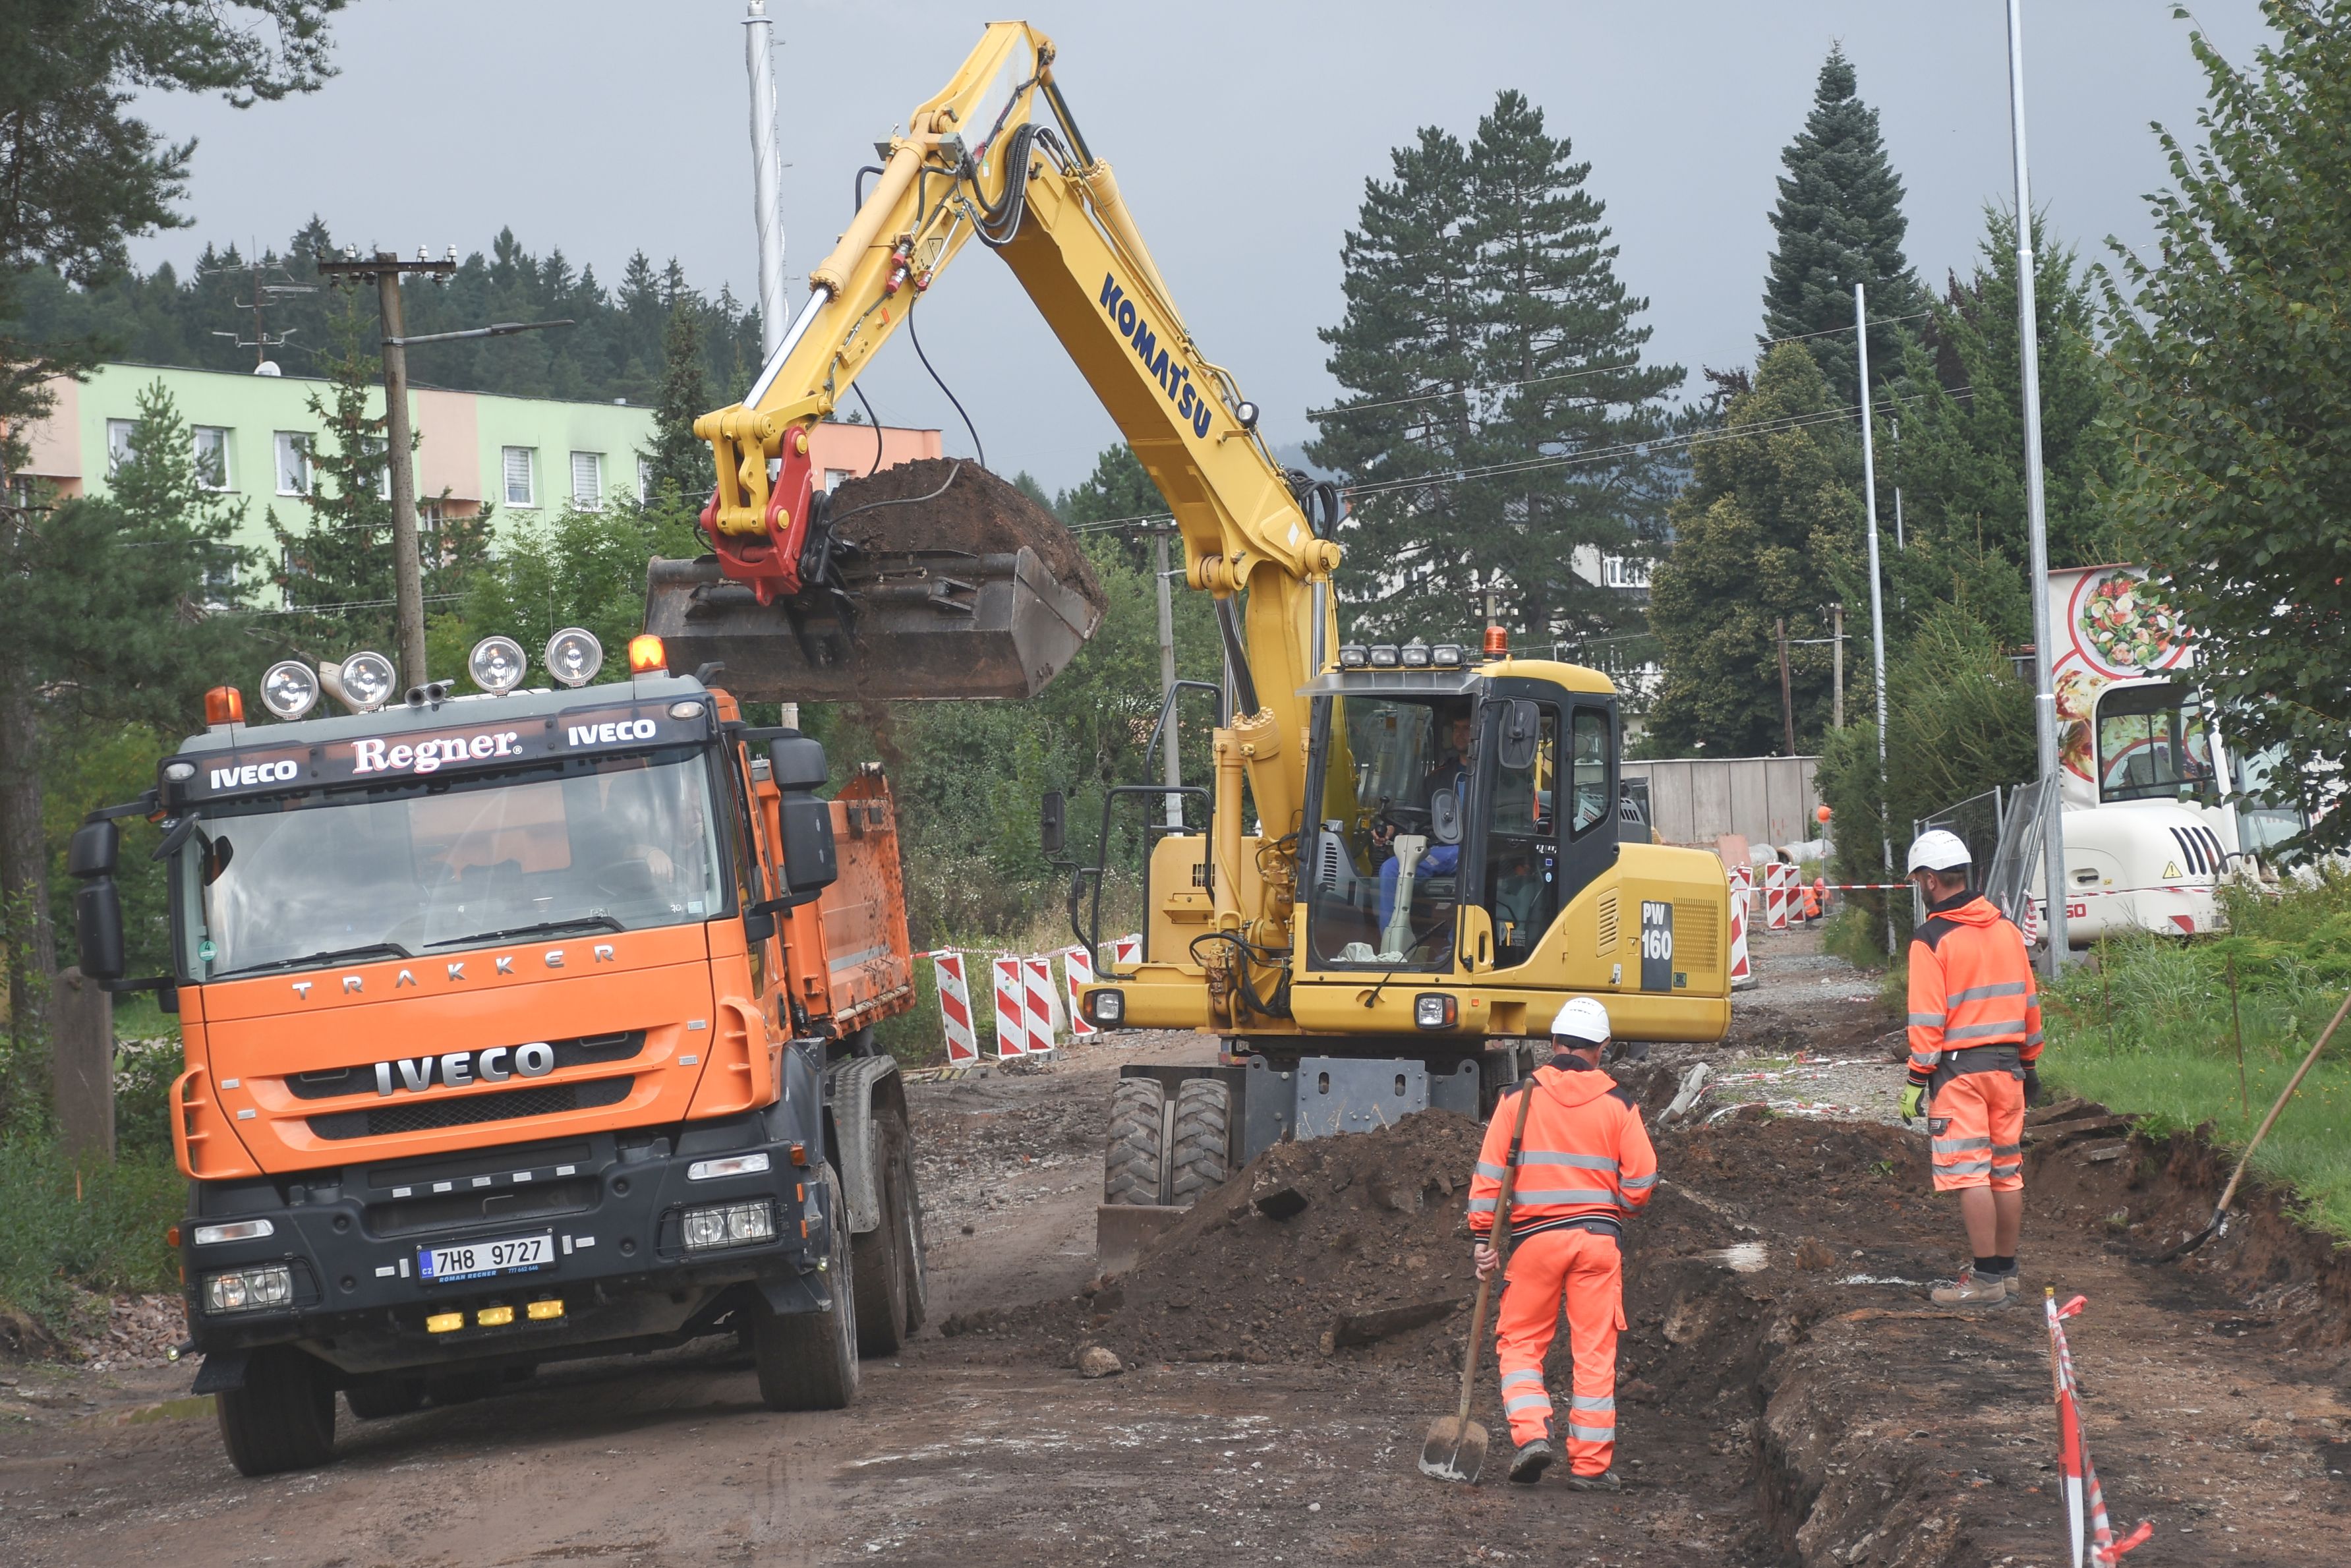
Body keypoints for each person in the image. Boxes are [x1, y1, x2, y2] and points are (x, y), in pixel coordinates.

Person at [1466, 997, 1657, 1488]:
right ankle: (1590, 1468)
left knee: (1521, 1343)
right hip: (1598, 1241)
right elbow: (1640, 1182)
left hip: (1535, 1242)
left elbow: (1489, 1178)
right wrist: (1618, 1207)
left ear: (1551, 1043)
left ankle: (1531, 1435)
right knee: (1594, 1351)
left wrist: (1482, 1237)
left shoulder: (1517, 1098)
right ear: (1603, 1048)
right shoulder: (1620, 1103)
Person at [1899, 828, 2043, 1306]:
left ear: (1929, 880)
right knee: (2006, 1171)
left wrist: (1917, 1078)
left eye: (1919, 879)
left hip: (1959, 1073)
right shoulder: (2005, 928)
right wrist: (2030, 1063)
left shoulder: (1931, 939)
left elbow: (1926, 1018)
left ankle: (1984, 1281)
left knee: (1969, 1174)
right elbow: (2029, 1003)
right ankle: (2006, 1271)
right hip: (2009, 1069)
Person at [1375, 706, 1474, 932]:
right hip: (1439, 851)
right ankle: (1391, 943)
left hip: (1475, 851)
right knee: (1391, 869)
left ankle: (1456, 948)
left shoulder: (1495, 777)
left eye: (1467, 728)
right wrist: (1392, 830)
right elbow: (1413, 815)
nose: (1460, 734)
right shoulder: (1437, 777)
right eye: (1456, 728)